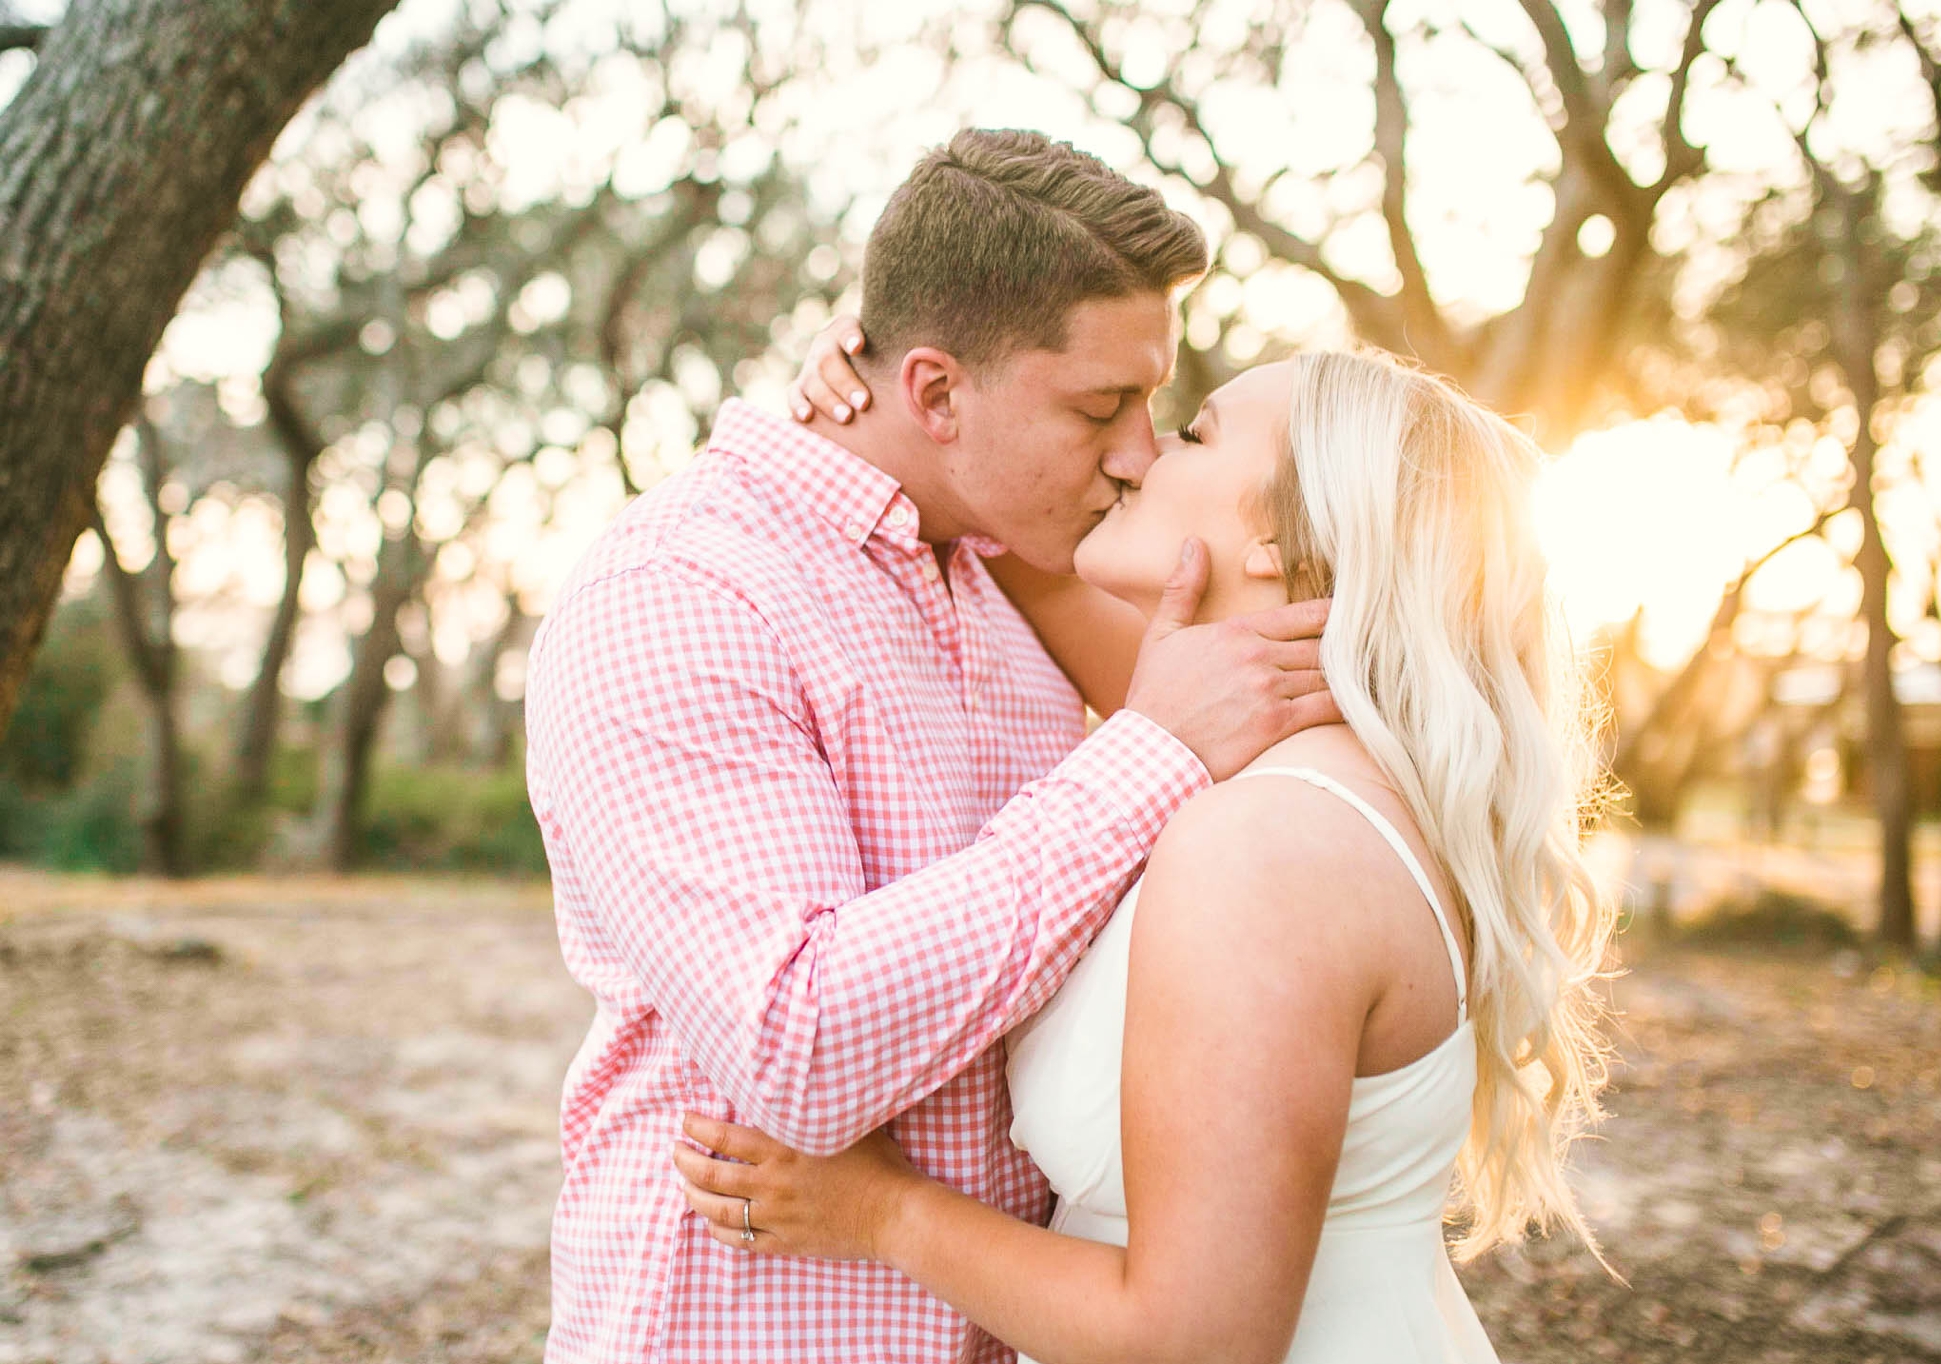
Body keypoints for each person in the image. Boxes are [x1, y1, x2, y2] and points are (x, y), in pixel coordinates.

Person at [522, 128, 1338, 1364]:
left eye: (1154, 403)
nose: (1137, 453)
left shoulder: (1015, 569)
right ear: (935, 391)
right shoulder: (680, 595)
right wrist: (1147, 752)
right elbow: (794, 1049)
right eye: (1101, 406)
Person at [673, 348, 1618, 1363]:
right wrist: (906, 375)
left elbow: (1193, 1338)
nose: (1138, 451)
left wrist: (879, 1210)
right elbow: (1009, 540)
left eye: (1193, 431)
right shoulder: (1289, 761)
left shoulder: (1266, 844)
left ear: (1273, 536)